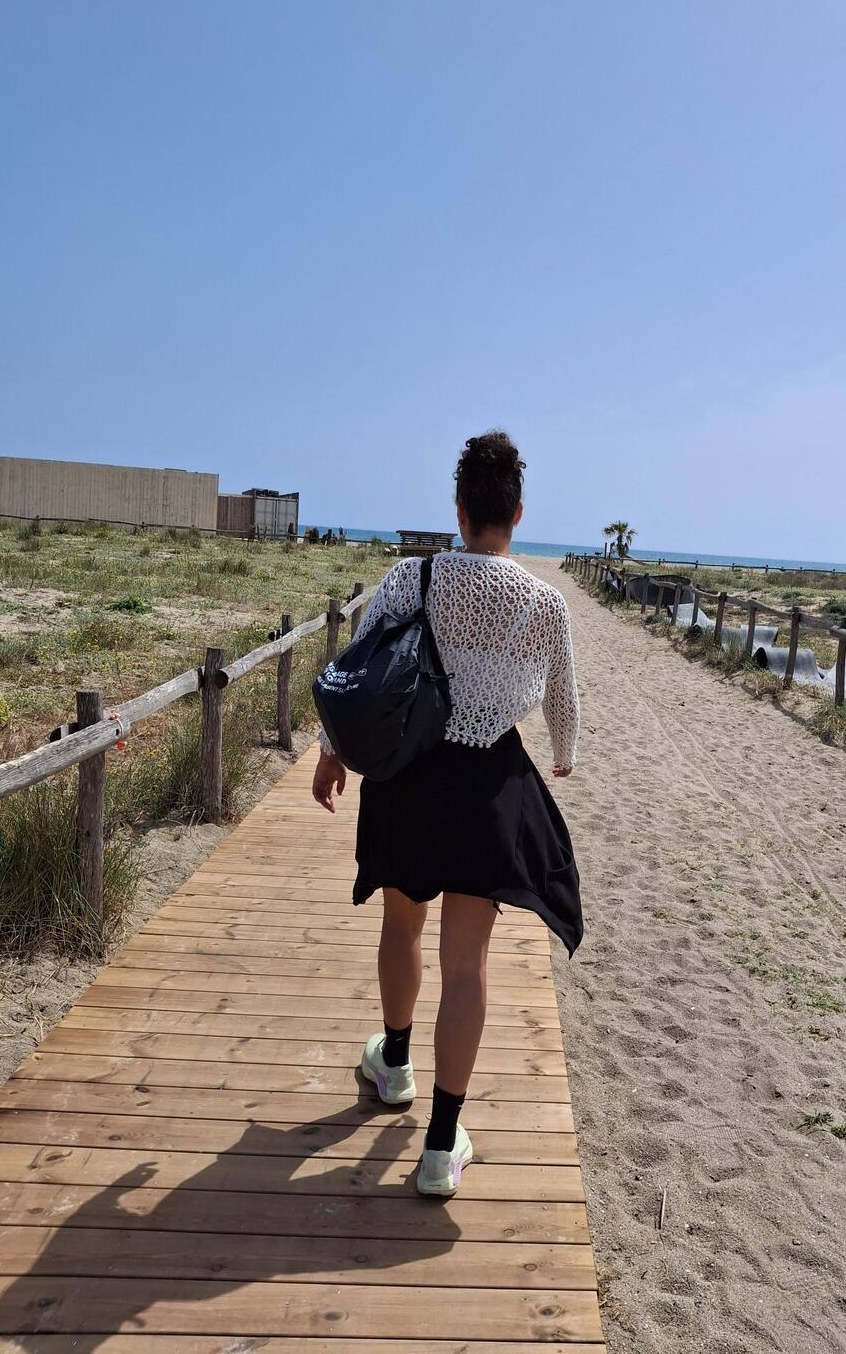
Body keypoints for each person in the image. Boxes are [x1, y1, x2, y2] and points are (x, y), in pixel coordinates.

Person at [312, 430, 581, 1196]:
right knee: (467, 966)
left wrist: (331, 750)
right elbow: (562, 698)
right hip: (487, 787)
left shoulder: (413, 576)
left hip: (407, 775)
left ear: (459, 510)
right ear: (517, 513)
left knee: (402, 927)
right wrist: (563, 752)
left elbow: (360, 669)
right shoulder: (544, 602)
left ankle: (393, 1064)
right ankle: (439, 1146)